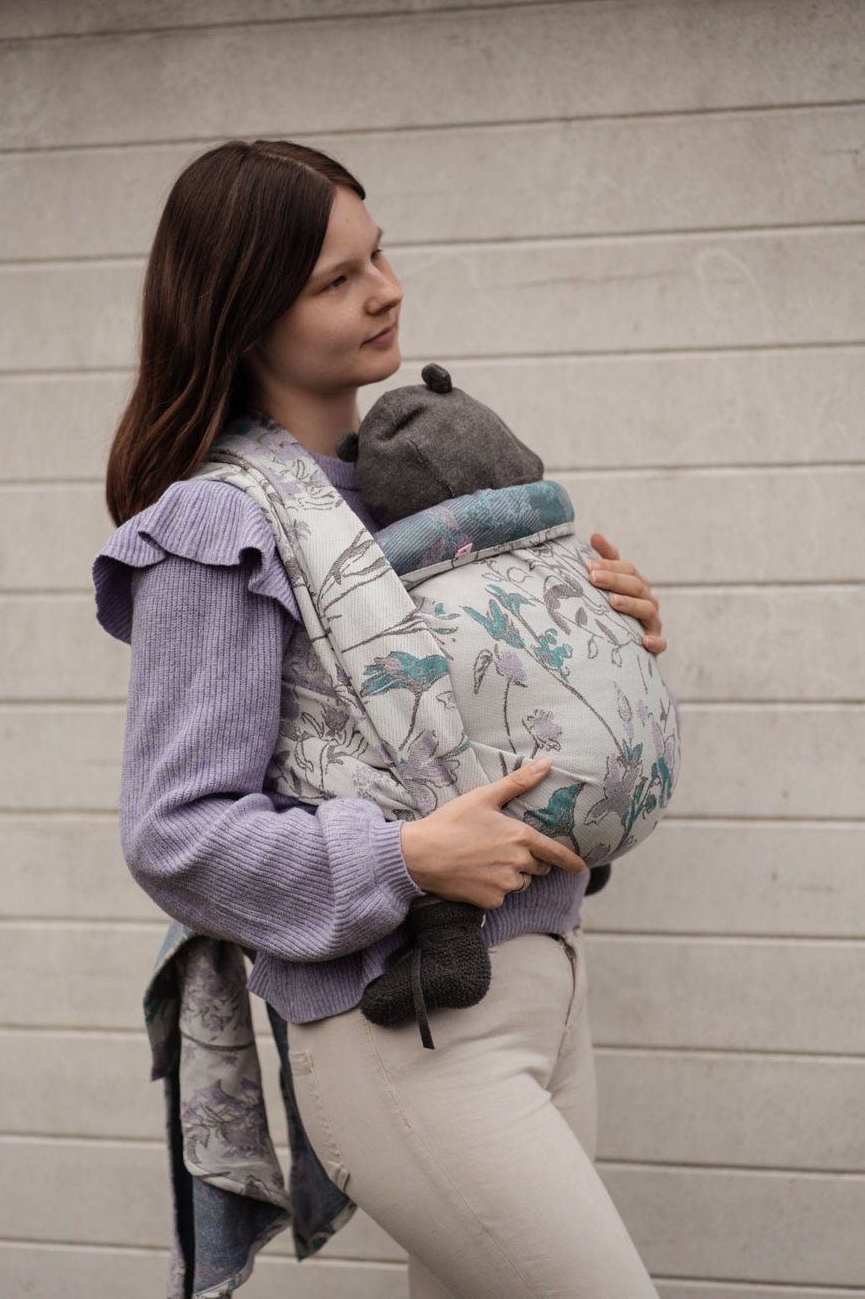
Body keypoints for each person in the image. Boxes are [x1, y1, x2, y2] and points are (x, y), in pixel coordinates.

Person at [93, 139, 668, 1297]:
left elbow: (468, 741)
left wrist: (604, 647)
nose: (384, 290)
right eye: (334, 279)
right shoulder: (219, 526)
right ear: (242, 314)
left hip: (544, 994)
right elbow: (173, 831)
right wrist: (404, 856)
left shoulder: (425, 490)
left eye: (379, 254)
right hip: (409, 1039)